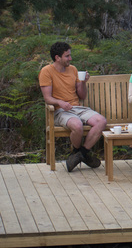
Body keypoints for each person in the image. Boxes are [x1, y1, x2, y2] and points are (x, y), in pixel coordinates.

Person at [39, 41, 107, 172]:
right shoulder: (46, 71)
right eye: (67, 56)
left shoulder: (73, 69)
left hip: (77, 108)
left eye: (70, 55)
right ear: (57, 58)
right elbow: (47, 98)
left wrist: (83, 82)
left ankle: (80, 153)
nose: (70, 58)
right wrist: (60, 103)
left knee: (101, 121)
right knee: (77, 126)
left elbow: (82, 96)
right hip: (60, 111)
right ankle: (83, 155)